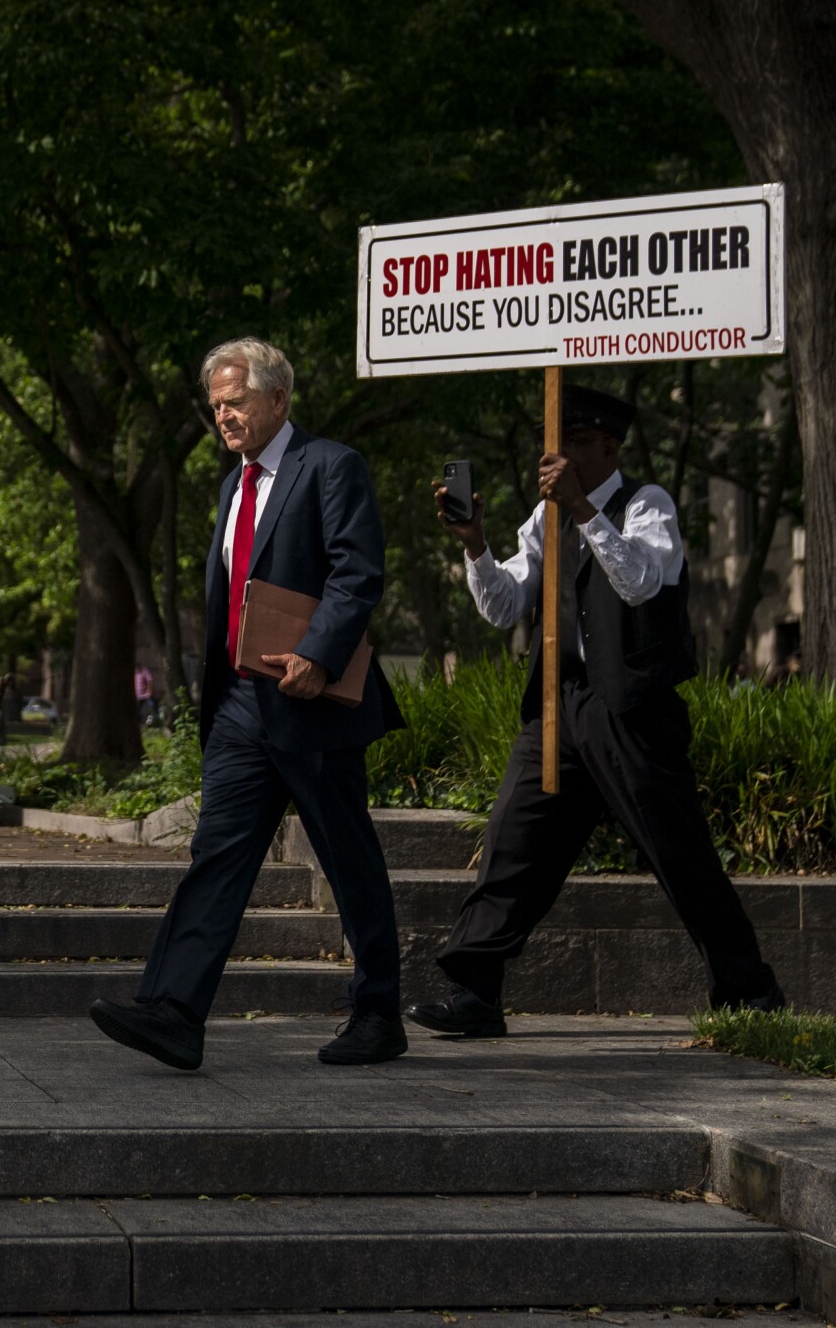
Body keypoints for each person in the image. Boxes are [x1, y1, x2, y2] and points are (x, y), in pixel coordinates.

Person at [408, 384, 784, 1038]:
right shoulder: (542, 516)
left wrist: (583, 509)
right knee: (514, 841)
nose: (560, 457)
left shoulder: (648, 505)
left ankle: (747, 987)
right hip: (558, 704)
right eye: (556, 444)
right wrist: (474, 545)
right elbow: (504, 606)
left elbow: (641, 582)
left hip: (633, 710)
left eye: (577, 443)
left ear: (608, 446)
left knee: (679, 851)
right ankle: (475, 987)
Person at [90, 336, 408, 1069]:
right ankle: (173, 1010)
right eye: (215, 407)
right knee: (218, 854)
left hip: (313, 702)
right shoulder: (233, 487)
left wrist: (318, 652)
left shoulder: (329, 466)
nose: (223, 416)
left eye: (234, 402)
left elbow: (356, 571)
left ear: (277, 399)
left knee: (346, 856)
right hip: (239, 705)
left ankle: (378, 1010)